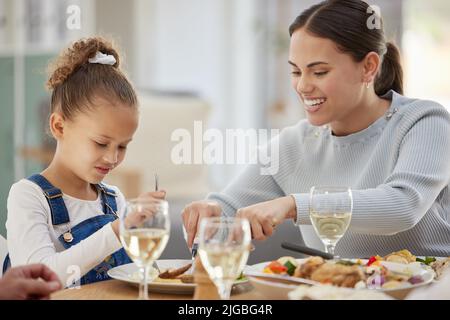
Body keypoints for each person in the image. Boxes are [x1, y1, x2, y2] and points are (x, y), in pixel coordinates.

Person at [182, 0, 450, 258]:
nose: (303, 86)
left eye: (319, 72)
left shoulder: (424, 122)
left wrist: (295, 205)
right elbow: (228, 212)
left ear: (369, 67)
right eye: (296, 72)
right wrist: (209, 216)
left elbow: (402, 207)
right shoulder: (295, 144)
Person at [4, 37, 165, 287]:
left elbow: (129, 279)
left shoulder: (113, 200)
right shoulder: (28, 196)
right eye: (101, 143)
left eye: (122, 146)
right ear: (59, 126)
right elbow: (35, 279)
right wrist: (115, 231)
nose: (113, 158)